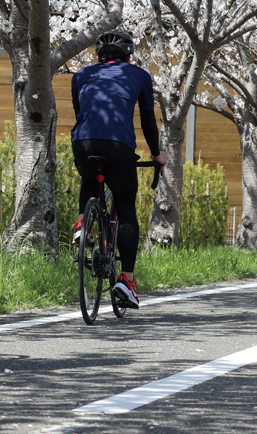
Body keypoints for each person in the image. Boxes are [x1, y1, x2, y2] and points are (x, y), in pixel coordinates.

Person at [70, 30, 167, 308]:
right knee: (125, 208)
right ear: (129, 56)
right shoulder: (139, 75)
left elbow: (81, 112)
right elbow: (147, 120)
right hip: (118, 145)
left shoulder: (80, 75)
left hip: (83, 142)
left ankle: (83, 225)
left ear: (98, 56)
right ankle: (127, 281)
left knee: (90, 176)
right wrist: (157, 154)